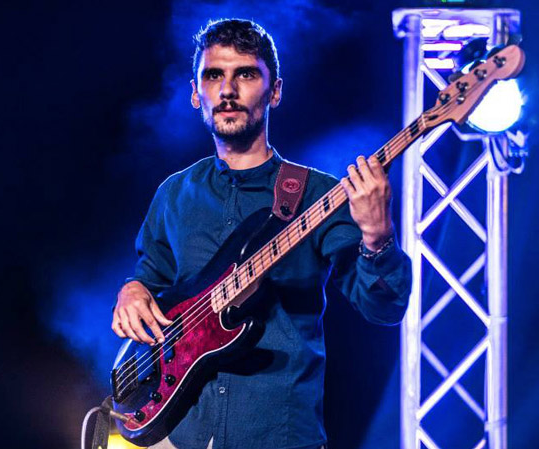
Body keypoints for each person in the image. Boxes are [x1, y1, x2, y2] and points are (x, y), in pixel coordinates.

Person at [111, 18, 411, 449]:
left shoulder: (317, 194)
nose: (227, 90)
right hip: (184, 434)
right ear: (196, 93)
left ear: (275, 91)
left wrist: (378, 238)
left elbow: (384, 307)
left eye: (246, 75)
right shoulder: (174, 194)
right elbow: (150, 279)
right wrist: (132, 290)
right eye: (213, 76)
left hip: (278, 435)